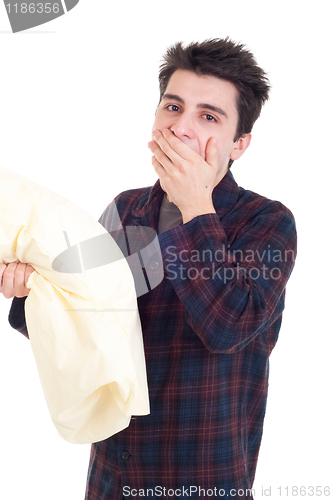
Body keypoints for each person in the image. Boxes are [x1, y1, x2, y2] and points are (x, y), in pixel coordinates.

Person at [2, 38, 296, 499]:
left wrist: (196, 207)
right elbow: (85, 326)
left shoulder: (266, 221)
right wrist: (29, 292)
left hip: (204, 479)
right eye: (172, 107)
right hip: (113, 476)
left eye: (208, 117)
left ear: (240, 144)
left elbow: (229, 326)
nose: (179, 128)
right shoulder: (126, 208)